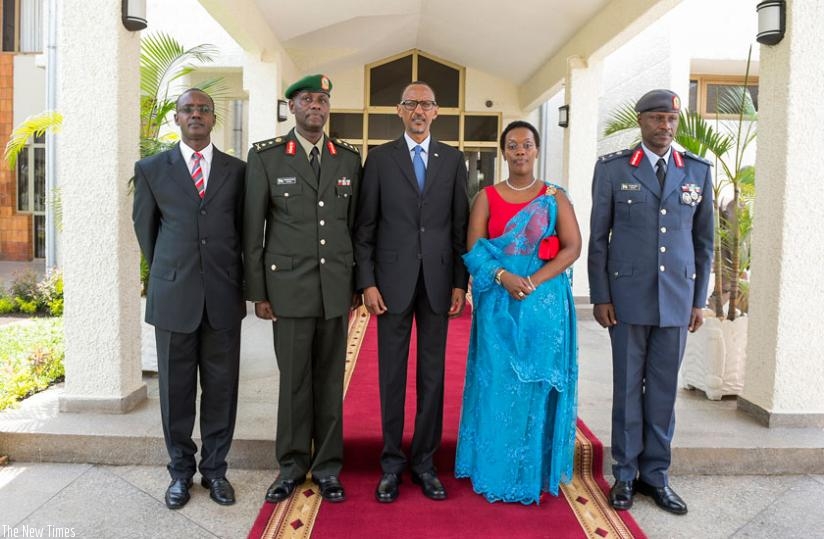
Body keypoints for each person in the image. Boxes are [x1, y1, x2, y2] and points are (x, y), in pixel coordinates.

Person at [588, 89, 714, 515]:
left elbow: (704, 243)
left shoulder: (696, 171)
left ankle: (656, 476)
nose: (666, 127)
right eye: (658, 119)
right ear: (641, 121)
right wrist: (600, 295)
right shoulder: (614, 169)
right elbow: (599, 240)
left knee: (663, 392)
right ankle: (624, 475)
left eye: (672, 120)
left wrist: (699, 299)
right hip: (625, 300)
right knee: (627, 389)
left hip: (677, 301)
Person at [243, 74, 362, 505]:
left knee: (330, 381)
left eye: (323, 99)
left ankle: (328, 468)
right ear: (291, 107)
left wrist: (356, 282)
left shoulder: (347, 158)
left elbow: (355, 227)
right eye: (307, 98)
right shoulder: (268, 157)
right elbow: (252, 230)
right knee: (294, 382)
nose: (316, 105)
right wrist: (258, 292)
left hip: (335, 288)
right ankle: (291, 466)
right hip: (288, 288)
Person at [353, 81, 469, 503]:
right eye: (411, 104)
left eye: (427, 104)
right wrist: (366, 281)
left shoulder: (453, 159)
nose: (419, 110)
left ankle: (424, 462)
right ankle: (390, 464)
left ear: (437, 112)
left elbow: (459, 227)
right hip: (390, 283)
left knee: (433, 377)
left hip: (438, 283)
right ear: (399, 111)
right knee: (391, 376)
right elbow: (364, 227)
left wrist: (461, 281)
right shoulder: (380, 159)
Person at [455, 121, 581, 504]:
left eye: (527, 144)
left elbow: (572, 247)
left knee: (536, 387)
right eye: (513, 145)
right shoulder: (487, 197)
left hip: (544, 307)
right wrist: (504, 275)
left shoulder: (554, 196)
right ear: (504, 152)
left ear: (537, 150)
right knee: (499, 386)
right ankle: (496, 468)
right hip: (498, 306)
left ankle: (533, 471)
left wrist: (534, 281)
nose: (520, 151)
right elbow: (474, 250)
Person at [132, 88, 246, 509]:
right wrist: (174, 271)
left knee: (221, 391)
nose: (195, 115)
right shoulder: (151, 169)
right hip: (174, 298)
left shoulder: (238, 171)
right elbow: (147, 233)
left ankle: (216, 472)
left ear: (214, 119)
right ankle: (180, 472)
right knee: (176, 393)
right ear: (176, 119)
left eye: (203, 110)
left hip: (222, 298)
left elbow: (245, 231)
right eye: (188, 110)